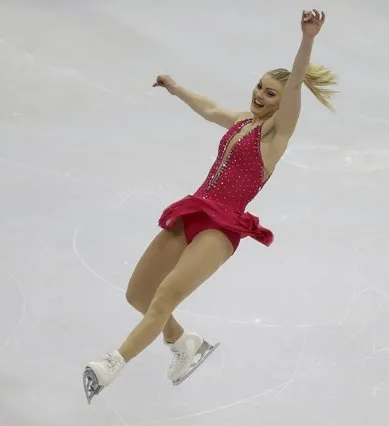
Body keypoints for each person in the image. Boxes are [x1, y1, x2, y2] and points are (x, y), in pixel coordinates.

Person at [82, 8, 338, 404]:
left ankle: (111, 364)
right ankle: (185, 344)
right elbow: (209, 108)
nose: (259, 95)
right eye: (258, 86)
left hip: (221, 229)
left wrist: (307, 39)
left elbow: (296, 83)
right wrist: (176, 88)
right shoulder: (241, 121)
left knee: (164, 297)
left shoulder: (276, 134)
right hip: (195, 209)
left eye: (271, 93)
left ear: (282, 101)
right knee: (139, 296)